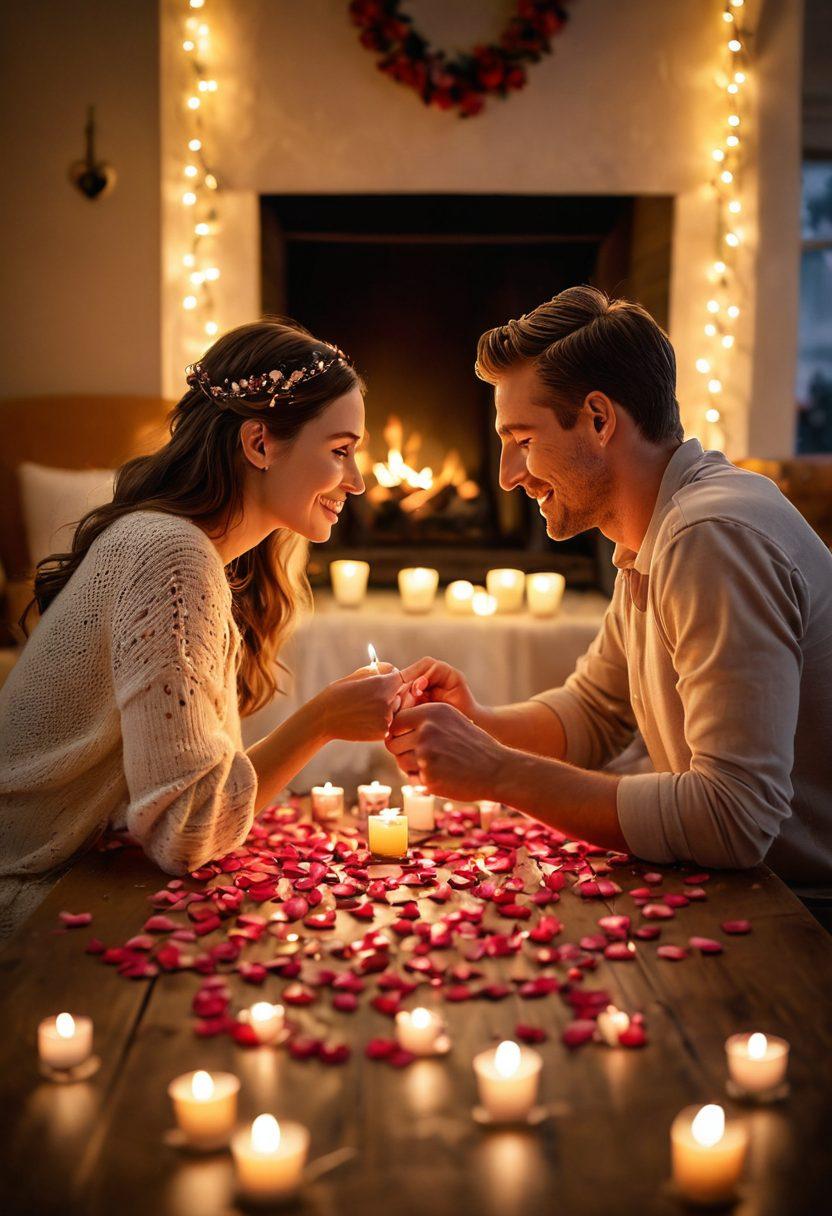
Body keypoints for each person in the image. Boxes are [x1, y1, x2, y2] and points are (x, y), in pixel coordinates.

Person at [387, 285, 832, 899]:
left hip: (801, 913)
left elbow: (734, 818)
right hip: (747, 890)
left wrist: (496, 771)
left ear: (599, 419)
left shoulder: (711, 535)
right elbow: (595, 711)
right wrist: (478, 727)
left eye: (523, 441)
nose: (508, 477)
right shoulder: (655, 531)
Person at [0, 319, 404, 924]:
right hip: (29, 893)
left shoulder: (201, 555)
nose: (358, 481)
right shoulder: (171, 557)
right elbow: (188, 833)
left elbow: (189, 804)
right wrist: (322, 721)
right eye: (340, 451)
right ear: (259, 444)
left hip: (84, 866)